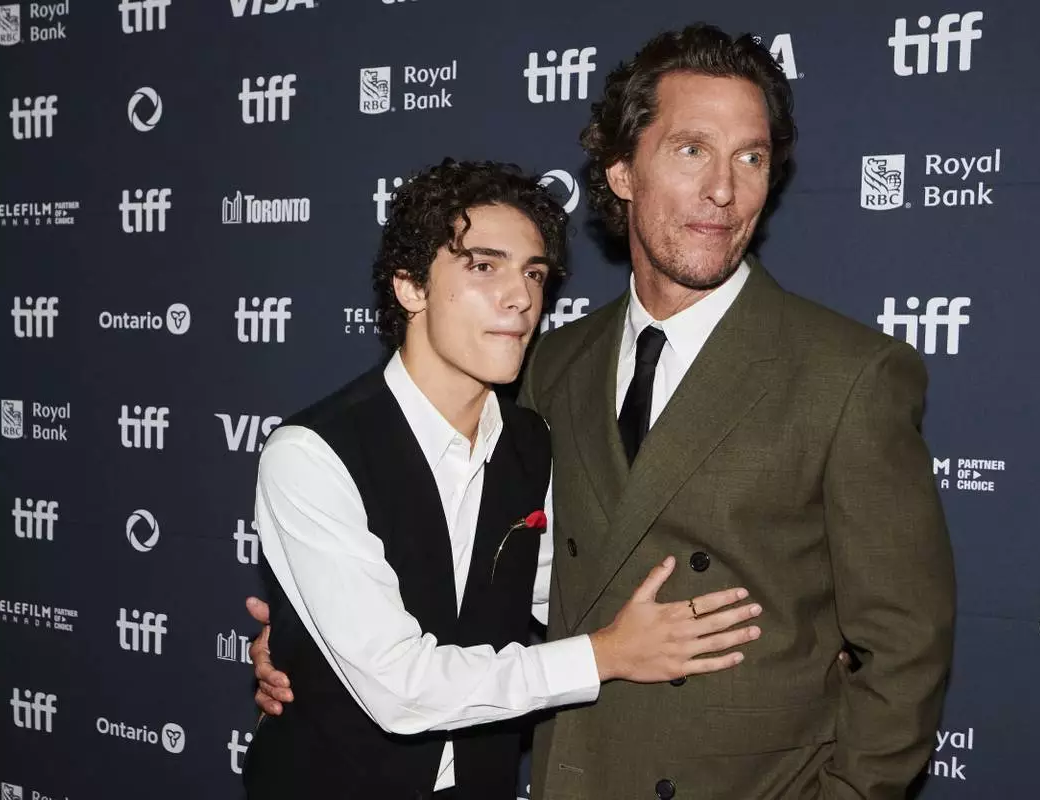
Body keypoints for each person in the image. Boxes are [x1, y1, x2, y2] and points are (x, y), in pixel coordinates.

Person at [251, 23, 957, 799]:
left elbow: (905, 645)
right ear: (622, 171)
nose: (723, 189)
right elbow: (523, 579)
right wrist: (319, 641)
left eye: (751, 158)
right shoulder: (550, 365)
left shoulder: (848, 373)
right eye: (691, 150)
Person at [239, 159, 764, 800]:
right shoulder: (312, 453)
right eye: (484, 267)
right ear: (410, 287)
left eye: (534, 273)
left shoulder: (531, 442)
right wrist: (605, 654)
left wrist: (802, 631)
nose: (521, 297)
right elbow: (399, 687)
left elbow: (568, 599)